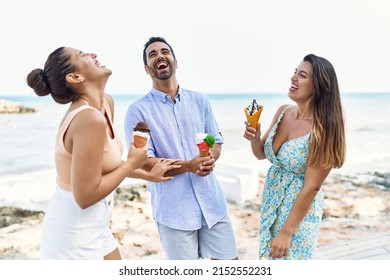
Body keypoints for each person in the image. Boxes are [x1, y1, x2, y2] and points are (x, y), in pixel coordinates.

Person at [27, 46, 180, 260]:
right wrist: (132, 163)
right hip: (73, 233)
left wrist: (148, 175)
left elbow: (103, 167)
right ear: (75, 76)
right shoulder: (87, 119)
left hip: (98, 226)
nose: (93, 54)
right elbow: (85, 197)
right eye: (82, 55)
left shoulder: (106, 104)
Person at [124, 36, 238, 260]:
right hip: (174, 212)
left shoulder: (200, 101)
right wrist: (188, 166)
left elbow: (216, 141)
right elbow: (144, 161)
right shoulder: (137, 111)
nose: (160, 56)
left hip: (213, 205)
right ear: (147, 69)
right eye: (153, 54)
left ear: (176, 61)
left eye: (164, 51)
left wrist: (208, 160)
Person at [243, 54, 346, 260]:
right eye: (294, 72)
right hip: (272, 203)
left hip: (298, 216)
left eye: (302, 75)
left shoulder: (324, 129)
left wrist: (286, 232)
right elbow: (261, 154)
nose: (293, 78)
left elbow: (312, 186)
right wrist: (254, 138)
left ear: (318, 86)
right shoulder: (284, 111)